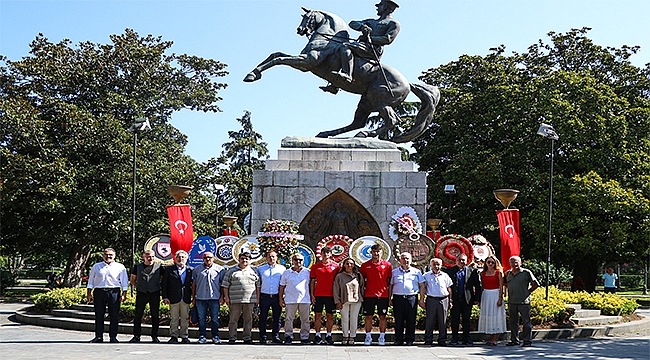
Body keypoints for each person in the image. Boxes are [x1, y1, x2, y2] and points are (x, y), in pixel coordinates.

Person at [321, 0, 401, 94]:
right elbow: (352, 23)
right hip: (362, 45)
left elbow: (388, 39)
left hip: (373, 49)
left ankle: (347, 75)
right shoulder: (371, 21)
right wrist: (362, 26)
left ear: (386, 7)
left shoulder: (393, 24)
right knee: (338, 47)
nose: (377, 8)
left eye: (380, 5)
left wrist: (369, 38)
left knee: (345, 47)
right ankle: (335, 85)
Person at [87, 247, 129, 343]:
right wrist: (89, 293)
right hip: (99, 292)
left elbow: (124, 282)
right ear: (103, 255)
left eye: (110, 255)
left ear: (114, 256)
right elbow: (91, 281)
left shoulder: (120, 267)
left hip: (114, 292)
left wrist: (124, 294)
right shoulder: (96, 266)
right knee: (99, 315)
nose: (108, 256)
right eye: (106, 254)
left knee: (114, 315)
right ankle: (98, 336)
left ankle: (113, 337)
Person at [222, 251, 261, 344]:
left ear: (250, 260)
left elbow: (258, 286)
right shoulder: (231, 271)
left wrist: (258, 298)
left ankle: (247, 337)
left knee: (248, 319)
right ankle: (232, 337)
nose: (244, 260)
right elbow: (225, 285)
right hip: (235, 300)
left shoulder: (254, 271)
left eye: (246, 259)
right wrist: (226, 297)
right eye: (242, 258)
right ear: (238, 259)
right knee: (233, 319)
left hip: (249, 300)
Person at [359, 243, 392, 346]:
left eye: (378, 251)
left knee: (382, 316)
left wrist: (389, 297)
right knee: (368, 316)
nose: (376, 253)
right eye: (374, 251)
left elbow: (389, 281)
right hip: (369, 295)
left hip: (383, 295)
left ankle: (381, 337)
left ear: (381, 252)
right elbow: (361, 281)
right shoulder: (365, 266)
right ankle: (368, 337)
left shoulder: (387, 265)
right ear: (371, 253)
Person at [389, 252, 425, 346]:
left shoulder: (416, 272)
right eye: (403, 258)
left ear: (411, 260)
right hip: (398, 298)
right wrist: (389, 298)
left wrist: (421, 299)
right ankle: (398, 339)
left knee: (411, 319)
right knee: (398, 320)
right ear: (400, 260)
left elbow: (422, 286)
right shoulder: (394, 272)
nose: (405, 260)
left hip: (411, 297)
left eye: (407, 258)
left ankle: (410, 339)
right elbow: (391, 286)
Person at [446, 253, 482, 346]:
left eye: (463, 260)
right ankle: (454, 338)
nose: (461, 262)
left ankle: (467, 339)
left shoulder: (472, 271)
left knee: (466, 320)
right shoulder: (450, 271)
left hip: (467, 299)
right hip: (455, 300)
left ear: (467, 261)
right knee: (455, 320)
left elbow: (477, 286)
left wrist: (477, 298)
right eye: (460, 260)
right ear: (456, 261)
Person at [504, 255, 540, 347]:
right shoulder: (508, 273)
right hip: (512, 302)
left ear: (520, 263)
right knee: (513, 322)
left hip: (524, 302)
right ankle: (514, 340)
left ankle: (527, 341)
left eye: (516, 262)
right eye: (512, 262)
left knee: (526, 322)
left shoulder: (526, 272)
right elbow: (505, 283)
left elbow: (536, 284)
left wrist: (528, 292)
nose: (514, 264)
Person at [129, 250, 163, 343]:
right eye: (148, 257)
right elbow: (132, 280)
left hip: (154, 293)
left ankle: (154, 336)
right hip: (141, 293)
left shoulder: (159, 267)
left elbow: (163, 280)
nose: (150, 258)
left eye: (152, 256)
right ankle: (136, 336)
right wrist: (139, 286)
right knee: (138, 315)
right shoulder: (137, 267)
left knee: (155, 315)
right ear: (143, 257)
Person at [191, 251, 224, 344]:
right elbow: (194, 284)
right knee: (201, 319)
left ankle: (216, 336)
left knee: (214, 318)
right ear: (203, 259)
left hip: (214, 298)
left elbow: (222, 285)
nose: (207, 259)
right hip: (200, 298)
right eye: (205, 258)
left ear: (213, 258)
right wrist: (193, 298)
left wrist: (222, 297)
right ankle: (202, 336)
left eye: (209, 257)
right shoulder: (197, 269)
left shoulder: (220, 269)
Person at [309, 246, 340, 344]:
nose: (326, 255)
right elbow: (312, 281)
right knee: (317, 315)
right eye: (324, 253)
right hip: (318, 294)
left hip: (330, 295)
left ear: (330, 254)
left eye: (328, 253)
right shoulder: (315, 266)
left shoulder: (336, 266)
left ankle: (328, 335)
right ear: (321, 254)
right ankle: (317, 335)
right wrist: (312, 294)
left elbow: (338, 281)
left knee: (330, 316)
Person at [279, 253, 311, 345]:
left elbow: (311, 285)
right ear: (292, 261)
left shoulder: (307, 272)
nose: (298, 262)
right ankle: (288, 336)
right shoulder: (286, 272)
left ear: (303, 261)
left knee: (305, 319)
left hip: (305, 300)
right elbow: (282, 286)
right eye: (296, 260)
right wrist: (281, 299)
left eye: (300, 260)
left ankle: (305, 337)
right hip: (290, 299)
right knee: (289, 319)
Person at [161, 250, 193, 344]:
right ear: (175, 258)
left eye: (183, 257)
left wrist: (193, 297)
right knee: (174, 318)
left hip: (186, 297)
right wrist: (165, 297)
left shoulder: (190, 270)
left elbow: (193, 285)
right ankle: (174, 336)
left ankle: (184, 336)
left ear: (186, 259)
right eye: (179, 257)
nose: (181, 259)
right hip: (173, 298)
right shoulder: (169, 270)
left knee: (185, 318)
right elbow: (164, 284)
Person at [421, 257, 453, 346]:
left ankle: (442, 340)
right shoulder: (426, 276)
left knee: (443, 321)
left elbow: (449, 288)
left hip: (443, 299)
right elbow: (423, 288)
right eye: (434, 264)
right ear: (431, 265)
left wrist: (450, 300)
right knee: (430, 320)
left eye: (438, 264)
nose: (436, 266)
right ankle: (428, 339)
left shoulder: (445, 275)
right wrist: (422, 299)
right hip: (431, 299)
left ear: (441, 265)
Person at [333, 257, 365, 345]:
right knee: (345, 319)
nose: (349, 265)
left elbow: (362, 287)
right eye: (347, 263)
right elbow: (336, 289)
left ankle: (352, 337)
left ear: (354, 265)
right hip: (344, 301)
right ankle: (345, 336)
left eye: (351, 264)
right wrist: (337, 301)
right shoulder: (339, 276)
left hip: (356, 300)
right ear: (344, 265)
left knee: (354, 319)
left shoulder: (358, 275)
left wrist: (362, 298)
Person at [256, 250, 286, 344]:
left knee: (277, 317)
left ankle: (275, 336)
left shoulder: (282, 269)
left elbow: (284, 283)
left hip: (277, 296)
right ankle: (262, 337)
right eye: (269, 256)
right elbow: (258, 284)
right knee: (263, 317)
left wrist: (283, 296)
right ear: (266, 257)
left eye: (273, 256)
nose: (271, 258)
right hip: (264, 296)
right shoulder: (260, 269)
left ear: (277, 258)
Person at [477, 255, 506, 346]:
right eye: (488, 262)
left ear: (495, 263)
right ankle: (490, 337)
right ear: (485, 263)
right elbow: (481, 286)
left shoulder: (499, 273)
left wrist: (500, 298)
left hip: (495, 294)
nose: (490, 264)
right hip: (486, 295)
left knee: (496, 315)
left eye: (492, 262)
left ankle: (495, 338)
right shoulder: (483, 273)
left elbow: (501, 286)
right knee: (488, 315)